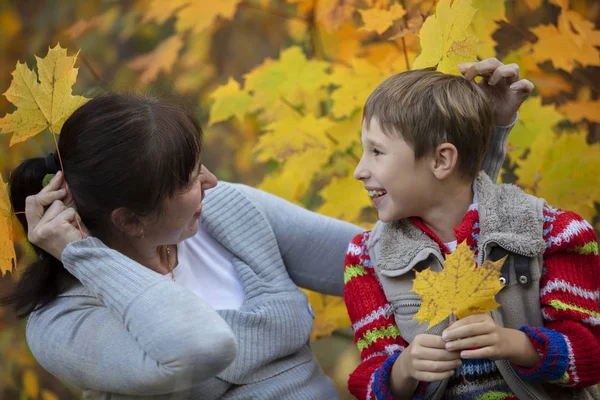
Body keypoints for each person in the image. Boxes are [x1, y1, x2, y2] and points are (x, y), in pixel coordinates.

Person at [3, 59, 528, 399]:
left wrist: (479, 139)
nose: (211, 181)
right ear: (131, 220)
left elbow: (405, 258)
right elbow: (201, 347)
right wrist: (89, 257)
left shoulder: (225, 210)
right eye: (190, 179)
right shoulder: (63, 324)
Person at [343, 63, 600, 400]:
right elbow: (371, 380)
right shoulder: (367, 258)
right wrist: (402, 370)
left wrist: (517, 344)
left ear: (441, 161)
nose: (359, 170)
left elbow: (590, 357)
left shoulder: (554, 232)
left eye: (376, 152)